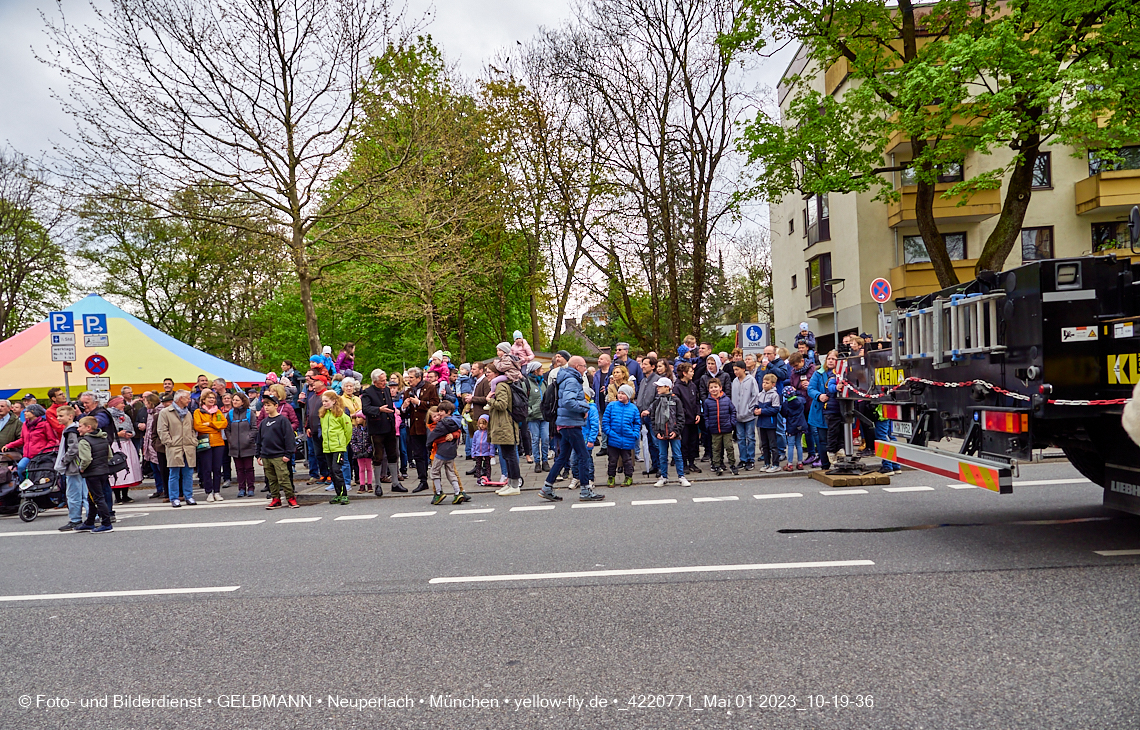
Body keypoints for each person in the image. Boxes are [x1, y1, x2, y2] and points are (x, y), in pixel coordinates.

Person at [538, 356, 605, 502]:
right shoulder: (572, 380)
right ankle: (585, 490)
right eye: (583, 366)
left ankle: (547, 487)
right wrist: (585, 407)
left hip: (565, 423)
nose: (585, 369)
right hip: (571, 424)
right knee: (583, 456)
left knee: (563, 457)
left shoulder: (565, 378)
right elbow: (569, 402)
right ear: (576, 367)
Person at [360, 369, 404, 496]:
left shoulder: (386, 390)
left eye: (385, 380)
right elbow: (366, 409)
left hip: (389, 427)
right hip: (377, 429)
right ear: (375, 382)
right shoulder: (367, 392)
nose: (385, 383)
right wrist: (379, 409)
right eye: (382, 381)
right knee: (378, 456)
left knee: (393, 454)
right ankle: (378, 485)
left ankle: (395, 483)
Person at [486, 362, 525, 496]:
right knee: (506, 455)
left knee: (510, 456)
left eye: (489, 372)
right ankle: (510, 483)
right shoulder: (502, 385)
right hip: (503, 424)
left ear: (497, 373)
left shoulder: (501, 386)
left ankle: (514, 485)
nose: (487, 375)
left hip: (505, 425)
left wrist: (489, 400)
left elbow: (502, 405)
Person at [74, 416, 114, 533]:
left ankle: (106, 523)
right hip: (103, 471)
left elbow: (86, 459)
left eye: (80, 426)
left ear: (88, 428)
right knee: (92, 497)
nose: (78, 429)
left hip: (92, 473)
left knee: (98, 498)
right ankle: (89, 522)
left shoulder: (84, 441)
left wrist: (82, 468)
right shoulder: (103, 438)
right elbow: (109, 455)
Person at [158, 390, 198, 507]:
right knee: (174, 474)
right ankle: (174, 498)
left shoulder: (188, 413)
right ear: (180, 398)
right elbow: (162, 430)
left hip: (188, 446)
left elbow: (191, 429)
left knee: (188, 473)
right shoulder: (165, 412)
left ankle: (188, 496)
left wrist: (193, 441)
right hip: (174, 447)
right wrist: (169, 442)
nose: (189, 400)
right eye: (187, 398)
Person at [258, 394, 298, 509]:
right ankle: (275, 498)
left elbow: (289, 438)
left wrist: (288, 454)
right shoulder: (264, 422)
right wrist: (259, 454)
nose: (266, 407)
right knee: (271, 479)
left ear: (276, 406)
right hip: (266, 455)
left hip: (279, 455)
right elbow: (259, 439)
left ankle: (290, 498)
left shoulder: (283, 420)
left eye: (269, 405)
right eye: (265, 405)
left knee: (283, 478)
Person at [401, 367, 438, 493]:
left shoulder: (430, 388)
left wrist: (419, 402)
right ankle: (423, 480)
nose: (409, 380)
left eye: (411, 378)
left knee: (431, 452)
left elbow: (435, 405)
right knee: (418, 454)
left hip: (428, 426)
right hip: (414, 428)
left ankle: (436, 479)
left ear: (419, 377)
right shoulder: (408, 391)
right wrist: (404, 407)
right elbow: (404, 413)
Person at [648, 377, 689, 487]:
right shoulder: (656, 402)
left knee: (677, 455)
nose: (657, 388)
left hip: (674, 433)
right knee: (662, 456)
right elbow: (653, 418)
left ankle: (681, 476)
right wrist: (656, 432)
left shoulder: (676, 400)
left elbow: (681, 417)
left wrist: (676, 431)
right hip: (661, 433)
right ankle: (664, 476)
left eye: (660, 386)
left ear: (667, 387)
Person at [426, 400, 466, 505]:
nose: (438, 415)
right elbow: (458, 431)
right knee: (451, 472)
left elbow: (433, 436)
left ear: (447, 412)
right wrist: (453, 435)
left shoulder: (441, 424)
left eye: (440, 412)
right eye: (435, 415)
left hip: (440, 451)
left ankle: (439, 492)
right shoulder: (455, 421)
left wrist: (428, 446)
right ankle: (458, 492)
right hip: (451, 451)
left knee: (434, 471)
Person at [52, 405, 85, 531]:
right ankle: (92, 517)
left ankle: (75, 519)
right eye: (57, 416)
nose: (58, 418)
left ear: (70, 416)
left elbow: (73, 448)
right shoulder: (75, 429)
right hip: (78, 466)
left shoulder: (70, 431)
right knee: (84, 493)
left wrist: (64, 461)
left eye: (61, 416)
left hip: (73, 467)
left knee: (73, 494)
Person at [193, 390, 228, 501]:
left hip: (218, 443)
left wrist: (210, 424)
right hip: (205, 442)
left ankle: (217, 491)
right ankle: (209, 492)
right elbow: (198, 426)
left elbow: (224, 424)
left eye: (213, 398)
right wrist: (215, 428)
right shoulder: (198, 412)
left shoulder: (218, 412)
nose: (212, 400)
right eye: (209, 398)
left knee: (217, 469)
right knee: (206, 468)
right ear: (203, 400)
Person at [808, 350, 841, 469]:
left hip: (836, 411)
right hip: (820, 411)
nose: (831, 361)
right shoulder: (818, 373)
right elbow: (811, 389)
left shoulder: (841, 373)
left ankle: (839, 465)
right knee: (822, 440)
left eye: (833, 359)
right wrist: (819, 396)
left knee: (837, 439)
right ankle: (825, 465)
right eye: (829, 358)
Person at [601, 383, 639, 486]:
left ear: (628, 396)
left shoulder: (633, 408)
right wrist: (609, 432)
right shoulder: (611, 406)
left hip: (628, 438)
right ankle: (611, 477)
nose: (620, 395)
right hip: (613, 438)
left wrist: (635, 434)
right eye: (619, 393)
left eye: (623, 393)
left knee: (627, 460)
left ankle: (628, 477)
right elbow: (605, 421)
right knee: (612, 460)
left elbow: (637, 423)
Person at [7, 403, 56, 481]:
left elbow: (52, 441)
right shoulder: (25, 425)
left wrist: (43, 451)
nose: (24, 413)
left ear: (34, 413)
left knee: (37, 473)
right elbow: (22, 440)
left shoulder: (45, 425)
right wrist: (9, 445)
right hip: (27, 455)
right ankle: (23, 484)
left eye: (27, 411)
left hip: (40, 456)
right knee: (20, 467)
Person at [105, 396, 141, 502]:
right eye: (121, 403)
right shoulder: (108, 417)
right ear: (114, 404)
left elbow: (132, 430)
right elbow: (105, 432)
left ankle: (125, 495)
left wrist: (130, 434)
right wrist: (117, 434)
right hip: (115, 444)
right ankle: (117, 496)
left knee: (127, 468)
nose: (124, 405)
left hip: (127, 445)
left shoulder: (126, 416)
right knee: (116, 468)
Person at [320, 390, 352, 504]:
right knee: (332, 471)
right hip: (327, 447)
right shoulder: (323, 415)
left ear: (334, 401)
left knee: (336, 470)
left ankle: (344, 494)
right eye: (323, 401)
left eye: (326, 401)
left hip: (338, 447)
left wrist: (343, 443)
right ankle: (338, 494)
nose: (324, 403)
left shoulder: (341, 415)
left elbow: (348, 430)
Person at [703, 379, 738, 476]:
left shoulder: (726, 400)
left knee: (729, 447)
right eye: (711, 387)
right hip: (714, 429)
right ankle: (717, 465)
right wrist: (708, 425)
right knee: (716, 448)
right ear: (708, 389)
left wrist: (732, 423)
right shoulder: (707, 402)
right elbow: (706, 415)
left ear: (720, 388)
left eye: (715, 387)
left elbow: (733, 411)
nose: (713, 389)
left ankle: (732, 464)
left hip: (726, 428)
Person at [569, 383, 600, 491]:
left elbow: (595, 426)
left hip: (586, 440)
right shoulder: (576, 408)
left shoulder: (591, 409)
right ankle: (576, 477)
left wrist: (591, 439)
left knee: (587, 460)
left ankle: (589, 479)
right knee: (573, 460)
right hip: (576, 438)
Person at [673, 363, 702, 474]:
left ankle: (692, 462)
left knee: (693, 442)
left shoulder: (692, 385)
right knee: (684, 442)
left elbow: (697, 401)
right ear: (684, 373)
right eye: (691, 371)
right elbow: (678, 404)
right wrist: (684, 414)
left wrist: (698, 413)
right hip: (684, 420)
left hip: (693, 419)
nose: (693, 373)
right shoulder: (677, 387)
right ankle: (684, 464)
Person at [226, 392, 258, 497]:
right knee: (239, 469)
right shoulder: (230, 414)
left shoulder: (249, 413)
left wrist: (249, 439)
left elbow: (254, 428)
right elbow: (227, 429)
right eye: (233, 400)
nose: (234, 402)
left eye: (237, 400)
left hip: (247, 446)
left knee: (249, 468)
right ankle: (241, 488)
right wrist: (231, 440)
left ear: (243, 402)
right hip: (235, 447)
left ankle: (251, 488)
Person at [303, 372, 331, 484]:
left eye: (315, 381)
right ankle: (324, 474)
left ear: (322, 383)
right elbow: (308, 413)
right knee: (318, 454)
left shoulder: (327, 396)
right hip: (313, 430)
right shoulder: (311, 397)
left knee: (327, 453)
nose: (313, 383)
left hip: (325, 430)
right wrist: (307, 427)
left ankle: (330, 474)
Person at [730, 362, 760, 471]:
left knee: (750, 437)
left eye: (737, 369)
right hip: (738, 415)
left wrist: (750, 409)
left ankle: (750, 459)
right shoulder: (735, 381)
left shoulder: (751, 380)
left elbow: (755, 395)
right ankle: (743, 459)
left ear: (743, 369)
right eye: (734, 370)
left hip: (748, 415)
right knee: (740, 438)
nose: (735, 372)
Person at [634, 357, 660, 476]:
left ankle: (661, 467)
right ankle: (654, 465)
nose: (642, 366)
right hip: (643, 416)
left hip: (653, 416)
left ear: (652, 366)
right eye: (642, 364)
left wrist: (649, 410)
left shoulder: (657, 380)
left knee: (656, 442)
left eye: (645, 364)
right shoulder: (643, 381)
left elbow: (658, 398)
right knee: (648, 442)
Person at [525, 361, 549, 473]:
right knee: (535, 439)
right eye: (541, 369)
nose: (543, 371)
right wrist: (530, 411)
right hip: (533, 417)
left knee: (545, 438)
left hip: (544, 416)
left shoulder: (544, 383)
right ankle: (537, 462)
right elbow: (524, 400)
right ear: (535, 370)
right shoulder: (526, 383)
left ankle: (545, 461)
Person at [143, 393, 168, 499]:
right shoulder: (149, 413)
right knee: (155, 469)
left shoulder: (160, 412)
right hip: (150, 444)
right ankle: (159, 489)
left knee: (161, 469)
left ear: (150, 402)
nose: (144, 404)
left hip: (157, 444)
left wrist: (154, 442)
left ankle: (166, 489)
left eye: (145, 402)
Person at [756, 374, 782, 472]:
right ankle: (766, 463)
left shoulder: (774, 395)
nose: (764, 384)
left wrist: (762, 411)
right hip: (761, 423)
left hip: (770, 423)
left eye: (767, 383)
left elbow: (775, 409)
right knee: (764, 445)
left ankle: (775, 464)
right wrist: (755, 410)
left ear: (773, 384)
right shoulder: (760, 394)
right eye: (763, 382)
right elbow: (756, 405)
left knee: (773, 445)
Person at [782, 385, 809, 471]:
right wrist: (797, 391)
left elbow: (783, 414)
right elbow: (803, 398)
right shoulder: (800, 400)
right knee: (798, 444)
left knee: (790, 445)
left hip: (791, 426)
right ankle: (800, 463)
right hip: (800, 425)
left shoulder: (786, 404)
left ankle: (790, 464)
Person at [350, 406, 374, 495]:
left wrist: (368, 451)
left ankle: (370, 484)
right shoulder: (355, 430)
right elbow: (352, 441)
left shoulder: (369, 430)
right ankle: (362, 484)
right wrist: (357, 451)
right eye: (356, 417)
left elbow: (372, 442)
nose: (357, 419)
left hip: (367, 453)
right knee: (361, 469)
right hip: (359, 453)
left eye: (359, 417)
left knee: (369, 468)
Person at [470, 415, 495, 484]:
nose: (482, 425)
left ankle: (488, 477)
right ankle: (478, 478)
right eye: (480, 423)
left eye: (484, 424)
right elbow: (474, 443)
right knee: (478, 465)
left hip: (487, 452)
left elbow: (491, 444)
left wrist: (491, 453)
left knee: (487, 465)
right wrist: (473, 452)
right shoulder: (476, 433)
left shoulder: (489, 433)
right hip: (478, 452)